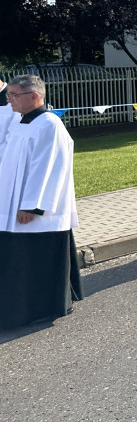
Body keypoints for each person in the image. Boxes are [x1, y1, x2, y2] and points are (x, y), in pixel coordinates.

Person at [0, 75, 82, 329]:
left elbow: (46, 168)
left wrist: (32, 205)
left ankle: (42, 308)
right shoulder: (21, 123)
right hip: (12, 205)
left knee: (38, 259)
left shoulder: (49, 124)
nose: (9, 100)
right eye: (9, 95)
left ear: (34, 96)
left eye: (14, 95)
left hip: (36, 212)